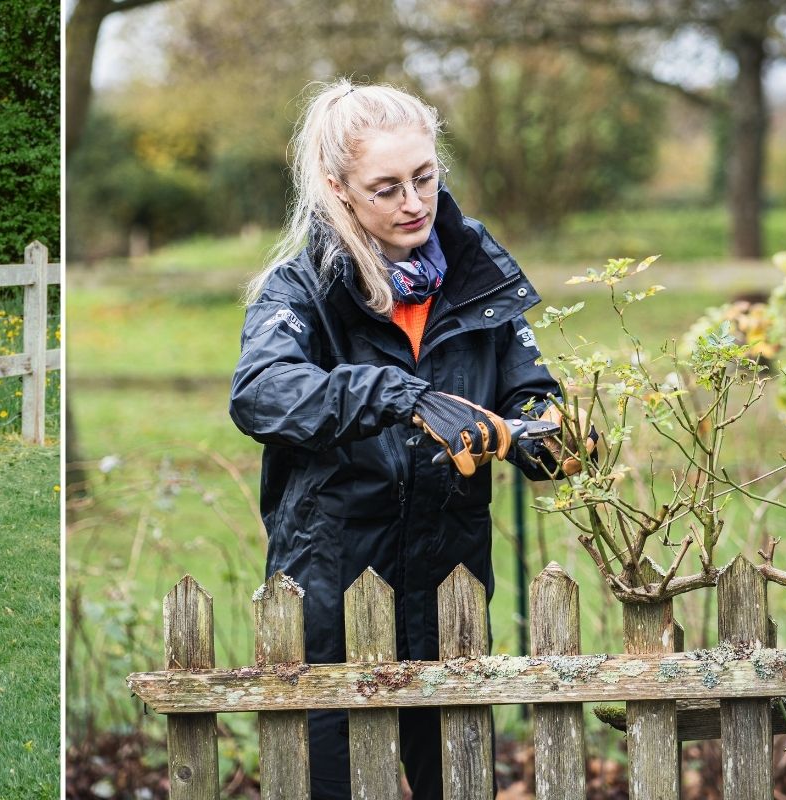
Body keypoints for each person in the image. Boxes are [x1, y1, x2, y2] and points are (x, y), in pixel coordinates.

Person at [228, 80, 585, 798]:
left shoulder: (478, 282)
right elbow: (260, 393)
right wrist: (404, 395)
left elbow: (549, 418)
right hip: (329, 595)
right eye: (385, 187)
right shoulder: (300, 289)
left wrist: (525, 435)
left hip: (451, 595)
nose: (413, 202)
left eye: (424, 178)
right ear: (339, 189)